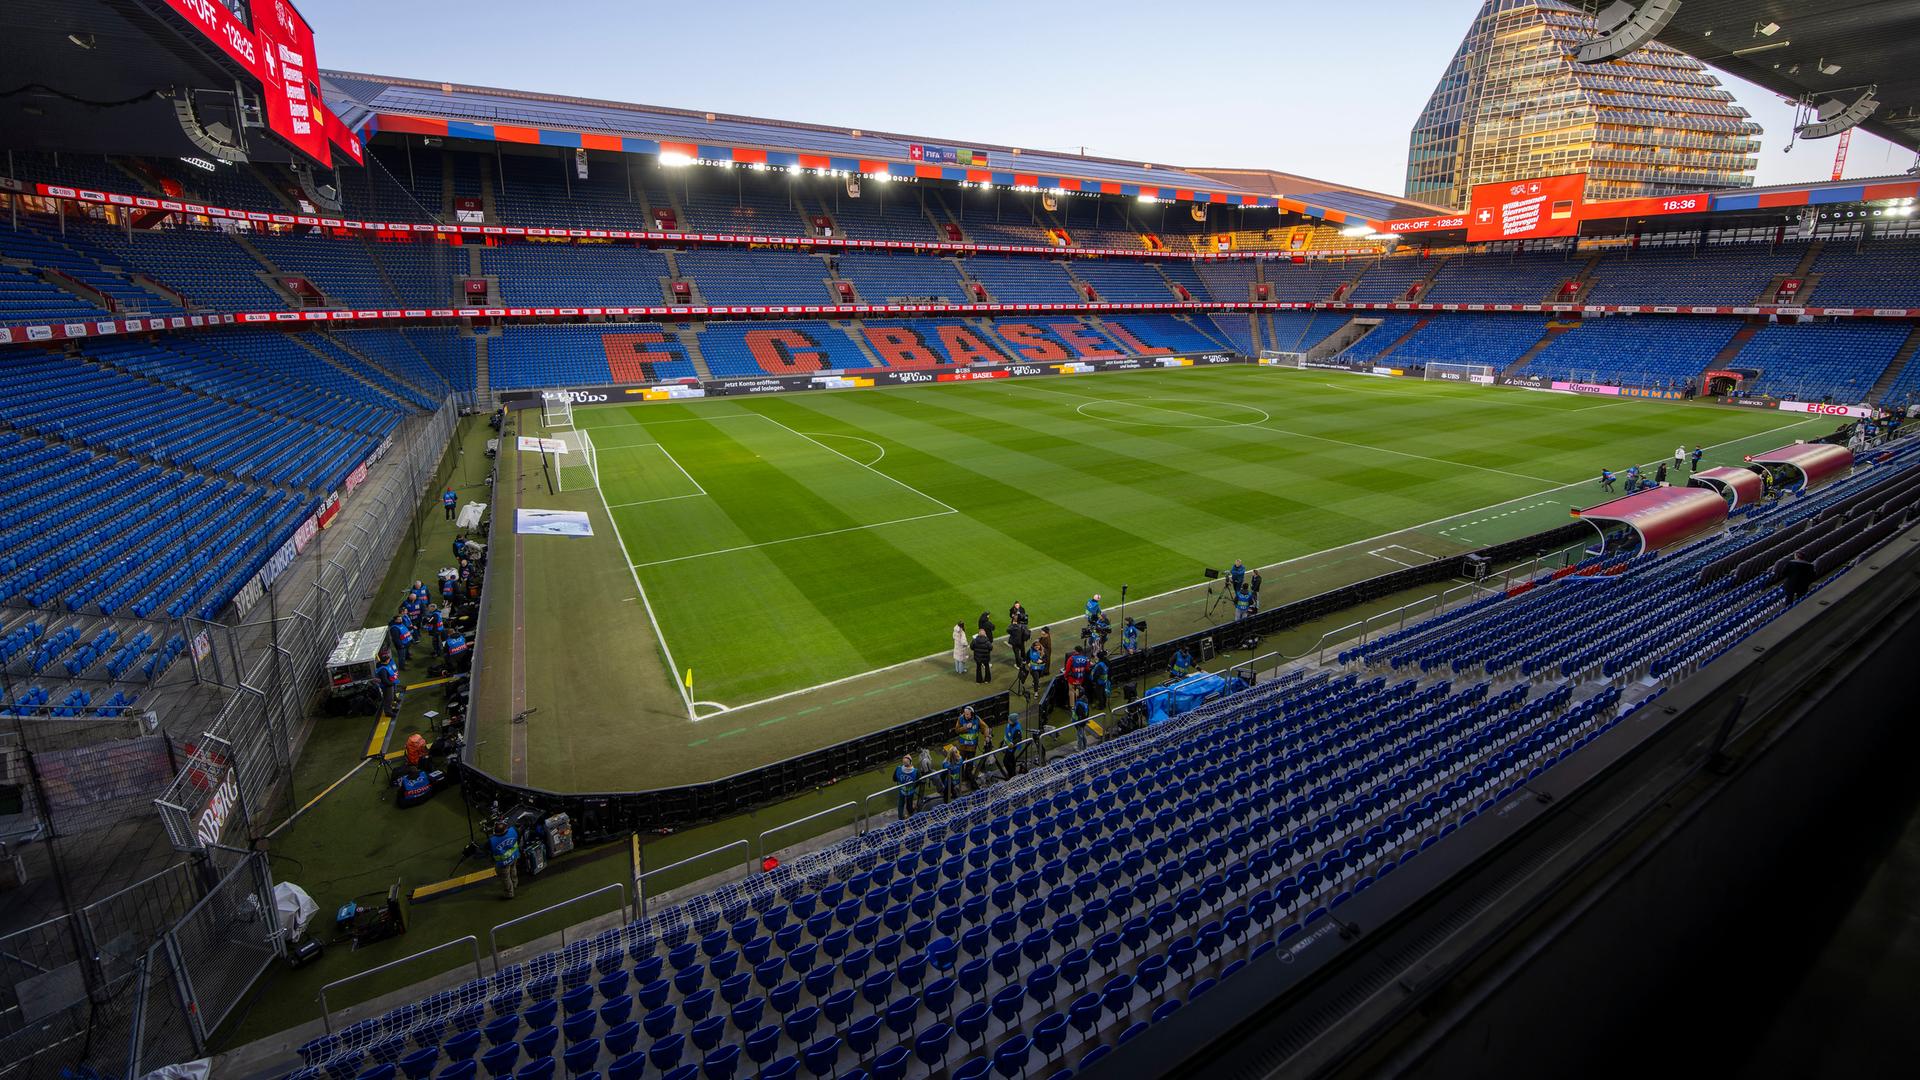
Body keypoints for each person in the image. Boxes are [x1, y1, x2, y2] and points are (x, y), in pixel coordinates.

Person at [490, 820, 520, 899]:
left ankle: (509, 893)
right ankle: (515, 883)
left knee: (505, 877)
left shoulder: (492, 841)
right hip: (514, 855)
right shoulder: (513, 830)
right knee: (513, 869)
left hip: (503, 862)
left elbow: (486, 850)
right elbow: (518, 836)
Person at [954, 706, 981, 786]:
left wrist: (987, 735)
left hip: (972, 748)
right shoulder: (960, 719)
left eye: (968, 714)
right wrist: (965, 727)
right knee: (960, 763)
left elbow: (984, 727)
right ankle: (962, 777)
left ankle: (968, 777)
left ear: (972, 714)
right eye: (965, 714)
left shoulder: (977, 719)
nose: (966, 716)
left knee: (969, 765)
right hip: (962, 747)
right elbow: (957, 730)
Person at [893, 755, 919, 819]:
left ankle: (900, 817)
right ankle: (910, 810)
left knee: (901, 803)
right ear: (910, 762)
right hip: (910, 790)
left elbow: (894, 779)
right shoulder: (916, 771)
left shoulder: (898, 769)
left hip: (902, 789)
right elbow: (918, 781)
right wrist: (913, 786)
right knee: (909, 801)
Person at [1001, 713, 1025, 778]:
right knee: (1011, 759)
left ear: (1013, 721)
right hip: (1007, 745)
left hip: (1011, 747)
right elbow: (1007, 734)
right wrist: (1003, 742)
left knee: (1006, 761)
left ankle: (1011, 775)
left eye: (1009, 719)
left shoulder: (1017, 728)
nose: (1008, 720)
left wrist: (1012, 743)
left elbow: (1018, 738)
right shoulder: (1010, 725)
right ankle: (1013, 773)